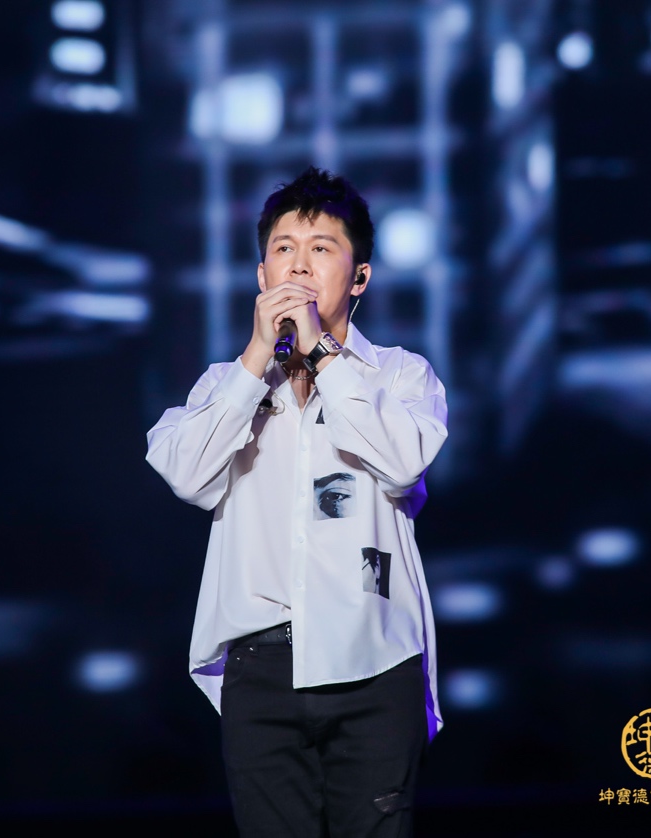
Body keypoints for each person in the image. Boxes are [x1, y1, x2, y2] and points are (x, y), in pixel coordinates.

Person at [146, 166, 448, 837]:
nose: (300, 265)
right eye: (284, 248)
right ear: (262, 276)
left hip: (373, 661)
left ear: (359, 277)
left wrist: (322, 353)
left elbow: (403, 463)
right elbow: (186, 474)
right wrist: (259, 358)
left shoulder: (401, 375)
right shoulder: (224, 385)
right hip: (260, 667)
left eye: (321, 248)